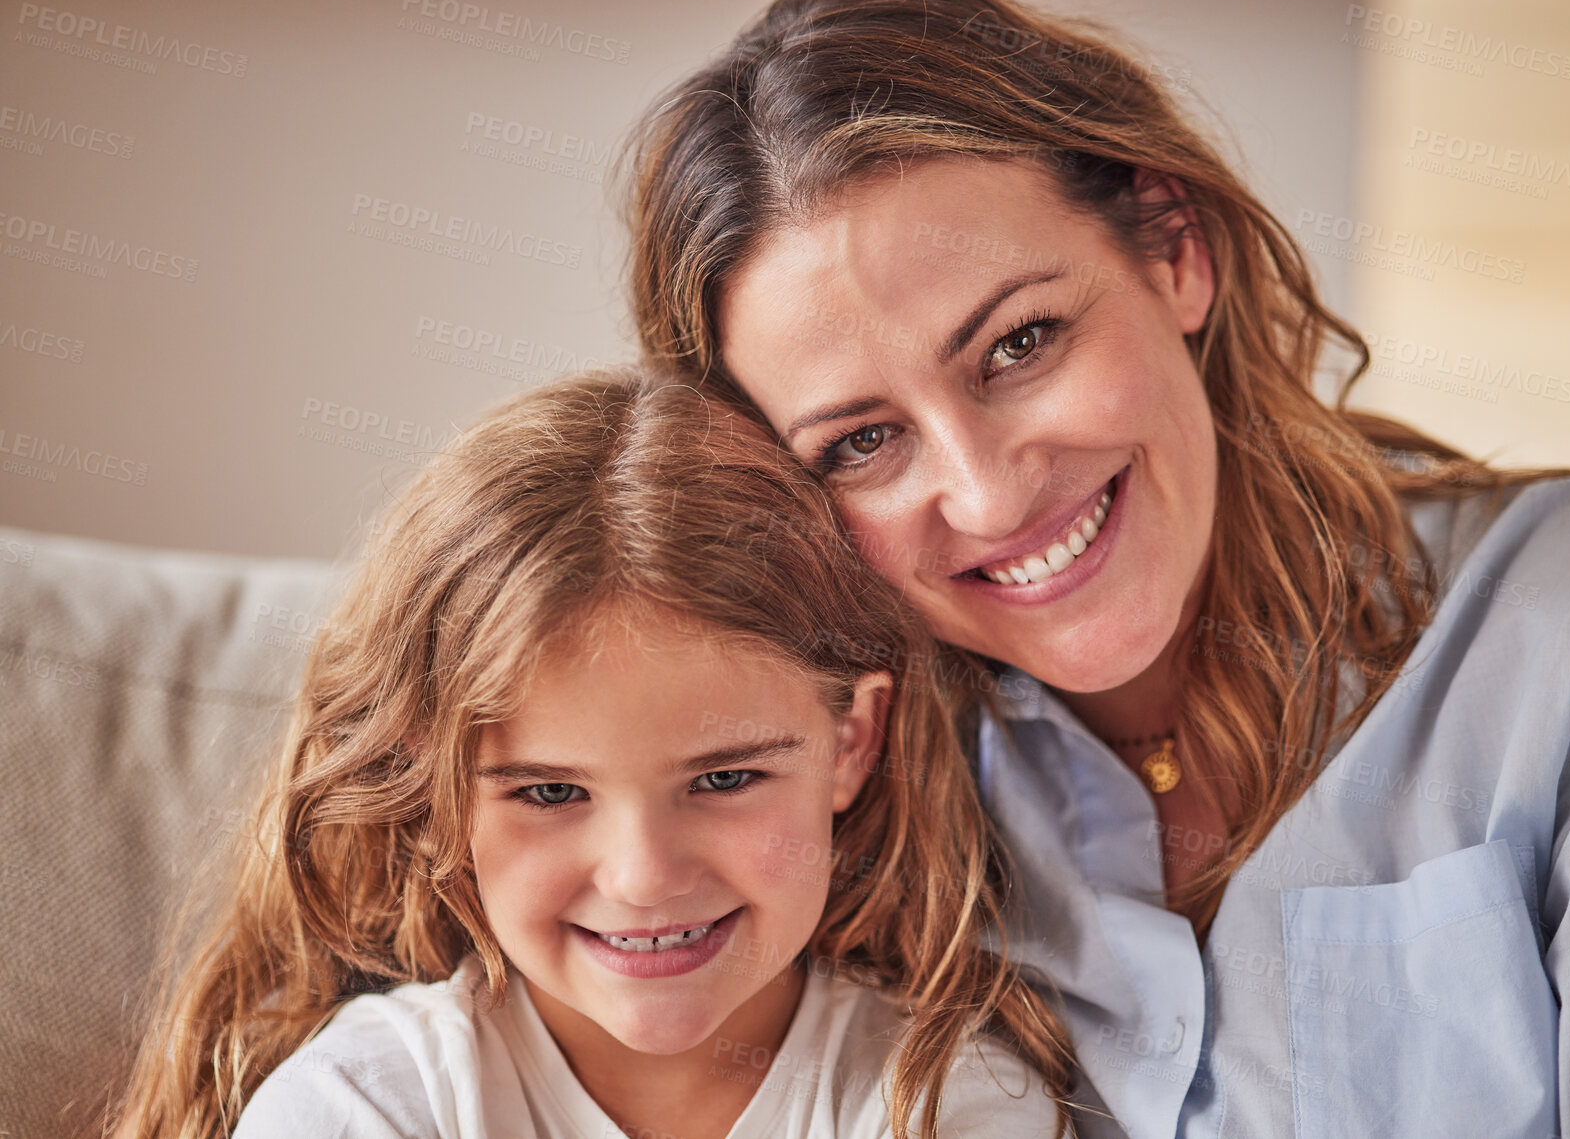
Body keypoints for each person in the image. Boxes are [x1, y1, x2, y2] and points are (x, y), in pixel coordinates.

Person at [621, 0, 1570, 1136]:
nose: (988, 490)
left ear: (1175, 250)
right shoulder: (832, 807)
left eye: (1019, 343)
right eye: (861, 442)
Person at [111, 371, 1074, 1139]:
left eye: (725, 777)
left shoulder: (947, 1102)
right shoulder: (368, 1105)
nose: (645, 877)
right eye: (551, 790)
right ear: (439, 789)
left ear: (849, 743)